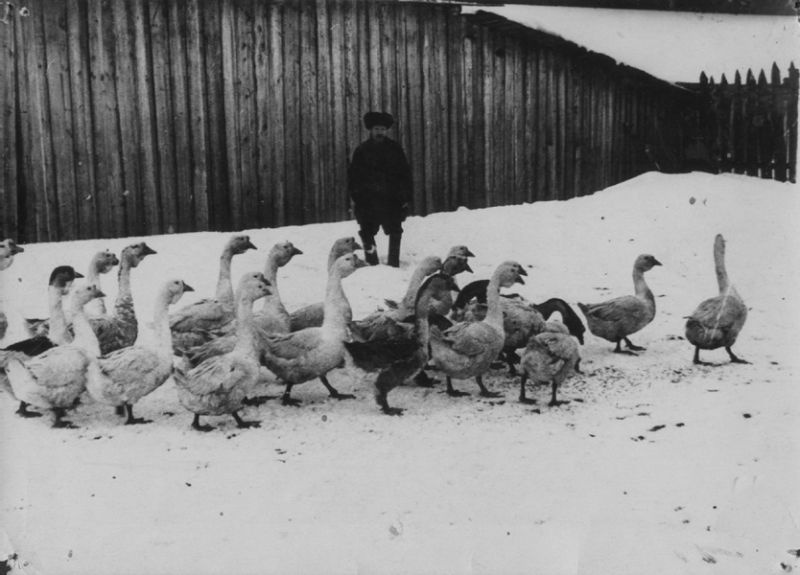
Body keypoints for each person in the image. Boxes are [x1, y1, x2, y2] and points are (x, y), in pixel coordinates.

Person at [347, 112, 412, 267]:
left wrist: (405, 196)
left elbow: (405, 173)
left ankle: (394, 263)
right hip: (369, 201)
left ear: (386, 130)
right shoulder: (362, 150)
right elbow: (354, 177)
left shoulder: (395, 149)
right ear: (370, 130)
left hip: (392, 200)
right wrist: (358, 198)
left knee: (395, 230)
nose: (380, 132)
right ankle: (372, 262)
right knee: (367, 232)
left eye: (382, 129)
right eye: (376, 129)